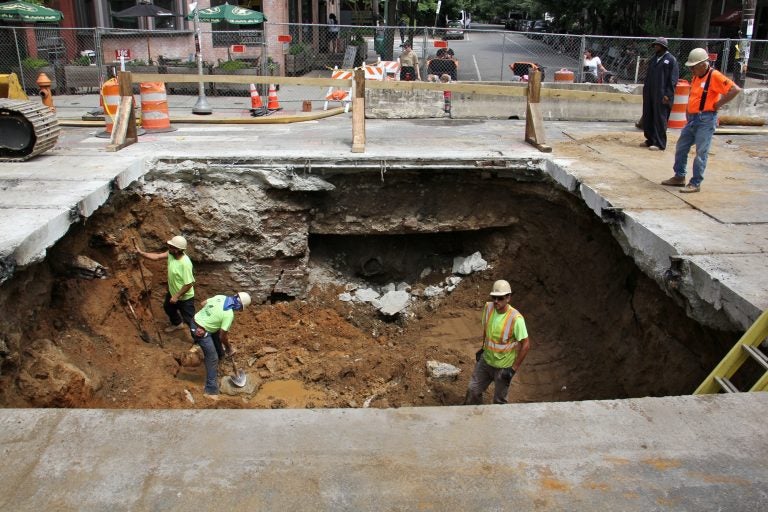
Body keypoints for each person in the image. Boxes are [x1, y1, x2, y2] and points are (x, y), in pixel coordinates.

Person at [661, 48, 741, 193]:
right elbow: (694, 96)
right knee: (681, 148)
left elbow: (735, 89)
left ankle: (695, 182)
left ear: (703, 64)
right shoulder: (696, 76)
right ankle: (679, 176)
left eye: (693, 67)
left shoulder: (714, 76)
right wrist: (688, 112)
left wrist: (718, 104)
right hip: (692, 119)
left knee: (701, 152)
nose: (691, 70)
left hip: (706, 119)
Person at [465, 280, 531, 405]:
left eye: (500, 298)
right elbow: (487, 329)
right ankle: (476, 418)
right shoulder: (488, 308)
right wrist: (483, 348)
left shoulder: (516, 319)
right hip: (486, 362)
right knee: (473, 391)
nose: (496, 301)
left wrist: (513, 369)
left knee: (499, 401)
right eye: (494, 297)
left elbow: (526, 345)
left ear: (508, 298)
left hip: (503, 367)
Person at [192, 292, 251, 400]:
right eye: (240, 308)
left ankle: (221, 360)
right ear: (239, 306)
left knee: (216, 338)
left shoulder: (221, 297)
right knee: (212, 357)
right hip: (200, 330)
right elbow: (222, 337)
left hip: (195, 320)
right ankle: (210, 391)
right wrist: (229, 348)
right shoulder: (228, 314)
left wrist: (211, 317)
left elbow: (203, 303)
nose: (239, 311)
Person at [136, 235, 195, 333]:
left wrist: (176, 296)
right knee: (168, 308)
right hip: (173, 293)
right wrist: (141, 253)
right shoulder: (171, 254)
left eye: (171, 246)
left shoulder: (185, 264)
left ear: (178, 250)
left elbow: (189, 284)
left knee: (190, 320)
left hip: (185, 298)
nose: (169, 247)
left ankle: (199, 340)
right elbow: (157, 257)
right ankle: (178, 324)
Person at [641, 37, 679, 151]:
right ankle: (650, 139)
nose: (655, 47)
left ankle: (659, 143)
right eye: (655, 45)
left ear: (663, 47)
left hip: (662, 94)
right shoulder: (654, 59)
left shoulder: (671, 60)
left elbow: (673, 79)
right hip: (650, 93)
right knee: (648, 116)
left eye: (657, 45)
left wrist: (668, 94)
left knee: (660, 118)